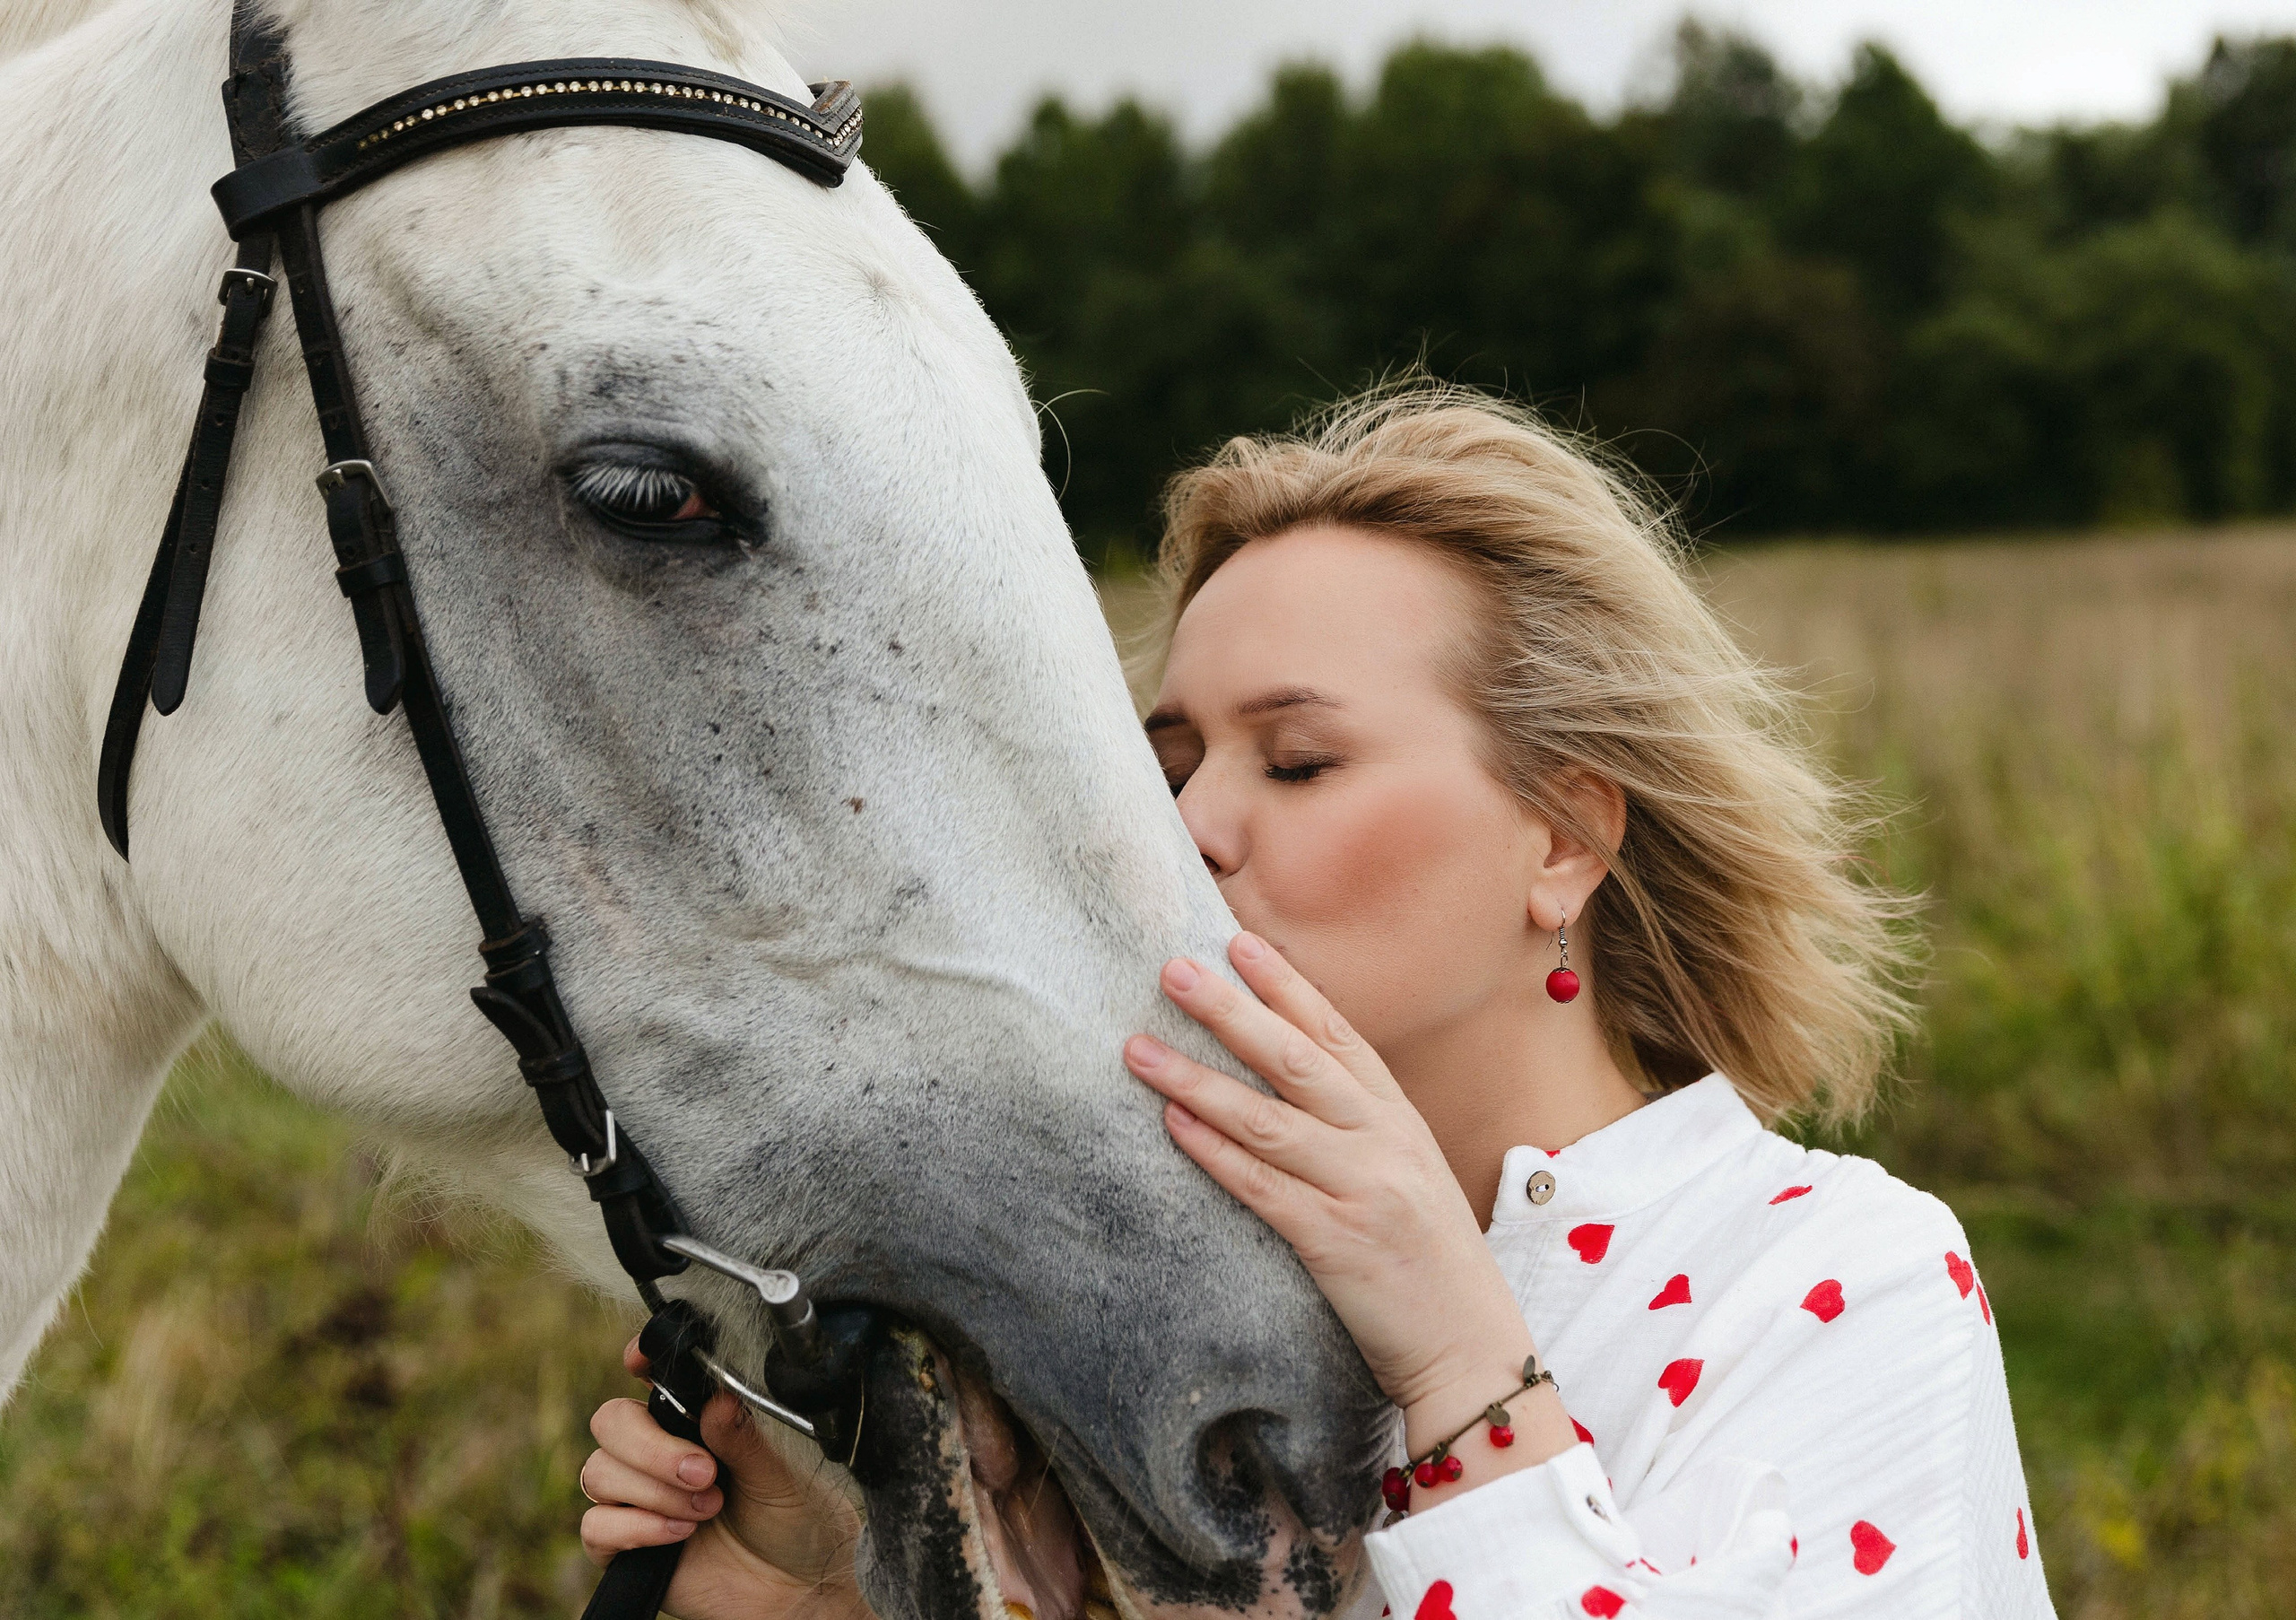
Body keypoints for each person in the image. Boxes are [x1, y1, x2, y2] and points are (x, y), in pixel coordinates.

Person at [573, 386, 2057, 1618]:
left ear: (1564, 839)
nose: (1186, 833)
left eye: (1296, 762)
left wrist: (1461, 1371)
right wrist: (816, 1588)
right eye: (1170, 768)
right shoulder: (1159, 1298)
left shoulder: (1838, 1282)